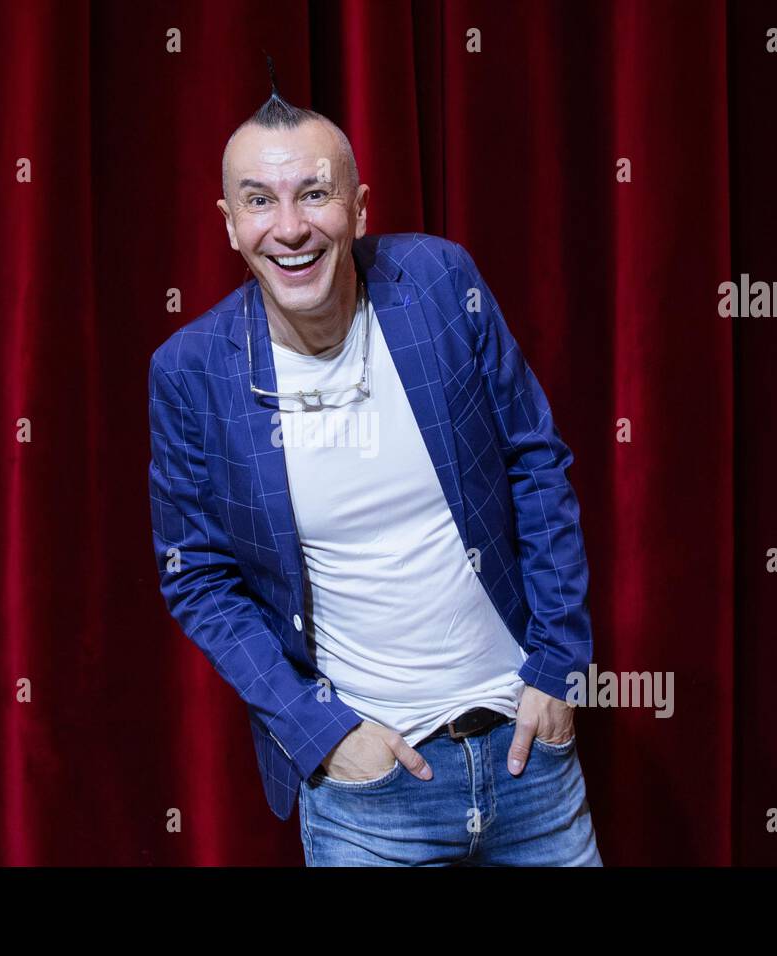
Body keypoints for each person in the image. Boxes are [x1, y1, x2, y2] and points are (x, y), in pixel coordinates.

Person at [147, 75, 602, 866]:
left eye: (314, 194)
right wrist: (319, 733)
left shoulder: (437, 284)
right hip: (369, 791)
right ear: (229, 226)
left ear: (359, 207)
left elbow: (536, 461)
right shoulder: (192, 373)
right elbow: (198, 580)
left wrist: (560, 667)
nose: (290, 228)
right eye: (259, 201)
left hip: (529, 754)